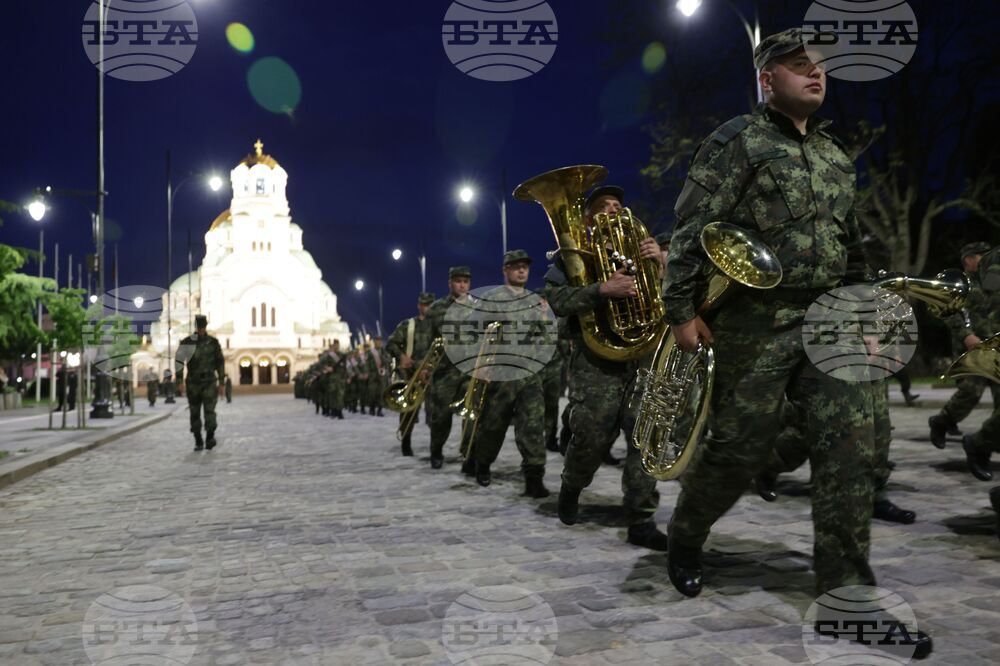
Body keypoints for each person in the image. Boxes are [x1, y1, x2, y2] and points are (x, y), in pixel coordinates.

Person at [662, 31, 933, 659]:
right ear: (766, 79)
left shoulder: (838, 155)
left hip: (829, 319)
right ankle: (686, 532)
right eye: (798, 66)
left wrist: (864, 308)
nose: (815, 74)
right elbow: (691, 228)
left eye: (820, 67)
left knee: (850, 452)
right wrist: (679, 311)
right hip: (753, 322)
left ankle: (847, 598)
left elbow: (852, 244)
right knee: (736, 447)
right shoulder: (737, 142)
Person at [541, 184, 668, 551]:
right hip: (596, 359)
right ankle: (572, 483)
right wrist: (601, 291)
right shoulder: (572, 256)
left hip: (640, 357)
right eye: (602, 206)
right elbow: (559, 300)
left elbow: (664, 302)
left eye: (617, 204)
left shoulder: (642, 252)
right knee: (592, 436)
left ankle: (641, 518)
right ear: (587, 218)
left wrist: (659, 266)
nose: (613, 210)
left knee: (646, 436)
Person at [467, 250, 550, 496]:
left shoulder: (535, 300)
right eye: (515, 267)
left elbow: (544, 336)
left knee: (532, 426)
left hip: (529, 373)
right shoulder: (492, 298)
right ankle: (482, 464)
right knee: (493, 425)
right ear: (505, 270)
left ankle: (534, 478)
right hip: (501, 374)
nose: (521, 270)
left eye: (524, 266)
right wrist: (479, 365)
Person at [928, 242, 999, 456]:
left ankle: (986, 443)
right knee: (971, 391)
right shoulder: (959, 283)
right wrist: (965, 335)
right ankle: (942, 422)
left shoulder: (993, 281)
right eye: (981, 256)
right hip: (972, 347)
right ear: (969, 260)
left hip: (994, 346)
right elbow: (946, 312)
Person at [957, 244, 1000, 481]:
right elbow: (951, 312)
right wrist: (965, 335)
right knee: (969, 393)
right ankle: (977, 443)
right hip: (982, 347)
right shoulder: (970, 282)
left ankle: (981, 445)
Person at [425, 267, 474, 469]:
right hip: (444, 373)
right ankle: (436, 450)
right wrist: (423, 368)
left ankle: (469, 454)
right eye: (458, 281)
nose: (462, 285)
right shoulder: (436, 309)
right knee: (441, 419)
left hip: (470, 372)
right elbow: (426, 342)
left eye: (465, 281)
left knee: (472, 415)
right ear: (450, 283)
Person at [385, 292, 437, 456]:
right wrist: (401, 357)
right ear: (419, 306)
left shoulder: (438, 328)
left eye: (430, 305)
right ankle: (406, 443)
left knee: (435, 413)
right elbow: (391, 344)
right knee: (408, 412)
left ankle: (435, 448)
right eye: (424, 304)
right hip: (410, 374)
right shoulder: (408, 325)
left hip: (430, 374)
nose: (427, 307)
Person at [175, 314, 225, 451]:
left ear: (205, 327)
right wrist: (179, 381)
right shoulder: (187, 343)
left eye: (203, 327)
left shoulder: (213, 343)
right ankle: (198, 440)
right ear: (196, 327)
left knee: (210, 411)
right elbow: (179, 361)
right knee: (194, 412)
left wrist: (222, 382)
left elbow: (220, 362)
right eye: (199, 327)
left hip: (209, 381)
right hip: (193, 383)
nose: (201, 329)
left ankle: (210, 437)